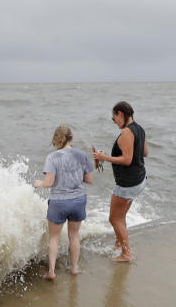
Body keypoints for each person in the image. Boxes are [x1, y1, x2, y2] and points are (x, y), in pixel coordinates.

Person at [34, 125, 94, 280]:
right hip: (78, 201)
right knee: (74, 235)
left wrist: (38, 183)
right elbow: (89, 179)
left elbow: (48, 183)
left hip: (59, 202)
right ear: (71, 138)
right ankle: (74, 268)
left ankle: (52, 272)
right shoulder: (81, 155)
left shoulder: (52, 157)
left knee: (54, 238)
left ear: (55, 140)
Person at [92, 101, 148, 263]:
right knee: (121, 215)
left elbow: (127, 159)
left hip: (127, 184)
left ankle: (126, 253)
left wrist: (103, 158)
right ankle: (118, 244)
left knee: (114, 219)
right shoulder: (140, 129)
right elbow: (145, 152)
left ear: (120, 114)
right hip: (140, 180)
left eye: (114, 117)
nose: (114, 121)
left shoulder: (126, 133)